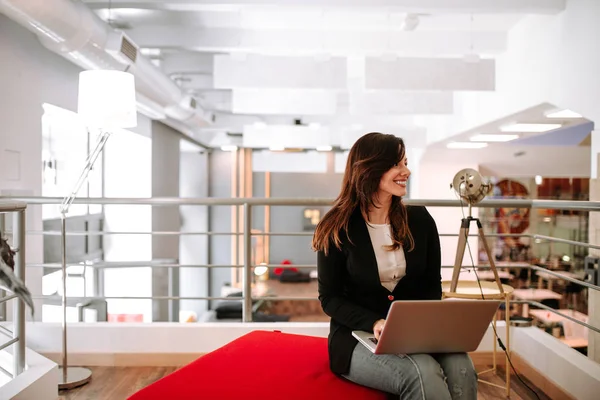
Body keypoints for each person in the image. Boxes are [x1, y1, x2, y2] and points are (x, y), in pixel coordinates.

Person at [312, 132, 477, 399]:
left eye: (406, 163)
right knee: (420, 371)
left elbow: (431, 286)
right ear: (370, 169)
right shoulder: (337, 227)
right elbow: (329, 298)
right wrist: (375, 322)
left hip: (416, 334)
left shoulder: (420, 220)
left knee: (462, 366)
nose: (406, 171)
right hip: (357, 336)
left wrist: (420, 329)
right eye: (397, 164)